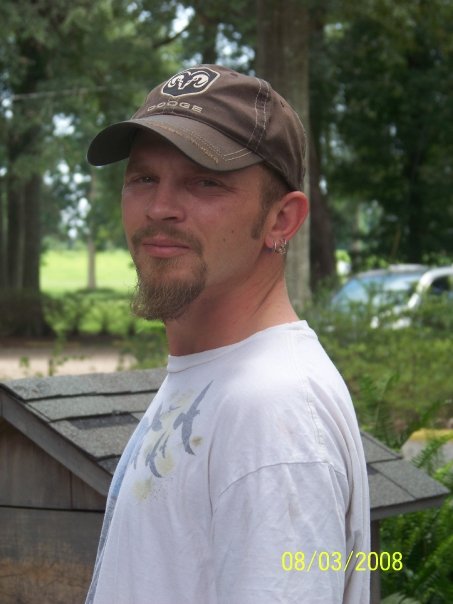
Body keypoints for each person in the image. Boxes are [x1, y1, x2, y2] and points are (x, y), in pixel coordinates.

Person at [85, 64, 370, 604]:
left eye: (205, 182)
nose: (160, 208)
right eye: (143, 178)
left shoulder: (273, 410)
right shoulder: (219, 374)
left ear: (281, 220)